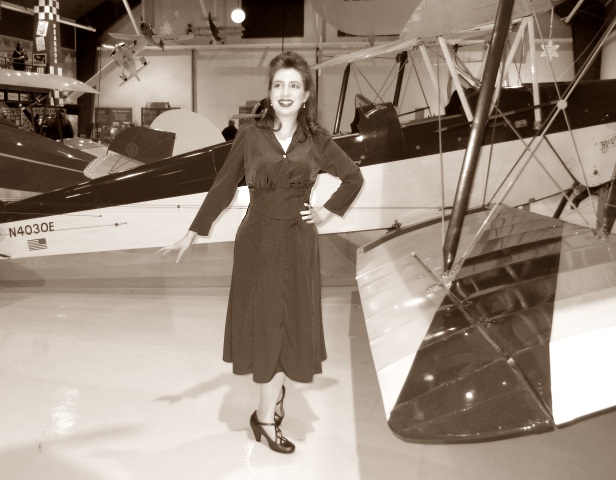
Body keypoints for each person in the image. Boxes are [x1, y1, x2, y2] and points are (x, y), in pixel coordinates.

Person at [159, 51, 363, 454]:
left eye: (294, 86)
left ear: (306, 95)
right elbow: (224, 184)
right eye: (278, 85)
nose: (285, 92)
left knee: (289, 324)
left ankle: (270, 404)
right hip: (258, 242)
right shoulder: (251, 136)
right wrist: (193, 231)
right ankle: (265, 418)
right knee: (269, 325)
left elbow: (353, 178)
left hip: (299, 242)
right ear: (269, 92)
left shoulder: (318, 141)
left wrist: (325, 212)